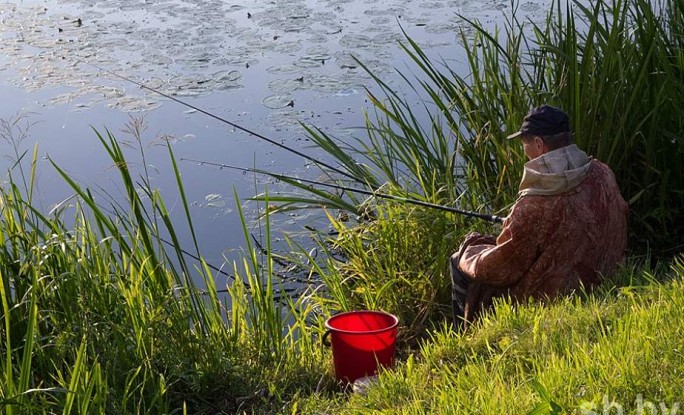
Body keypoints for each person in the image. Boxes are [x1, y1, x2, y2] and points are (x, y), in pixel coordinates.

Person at [450, 105, 628, 330]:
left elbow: (500, 268)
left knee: (458, 260)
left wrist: (470, 248)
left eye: (525, 145)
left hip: (555, 293)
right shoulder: (602, 173)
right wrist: (517, 224)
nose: (524, 151)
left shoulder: (534, 205)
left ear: (539, 145)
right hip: (604, 274)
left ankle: (464, 335)